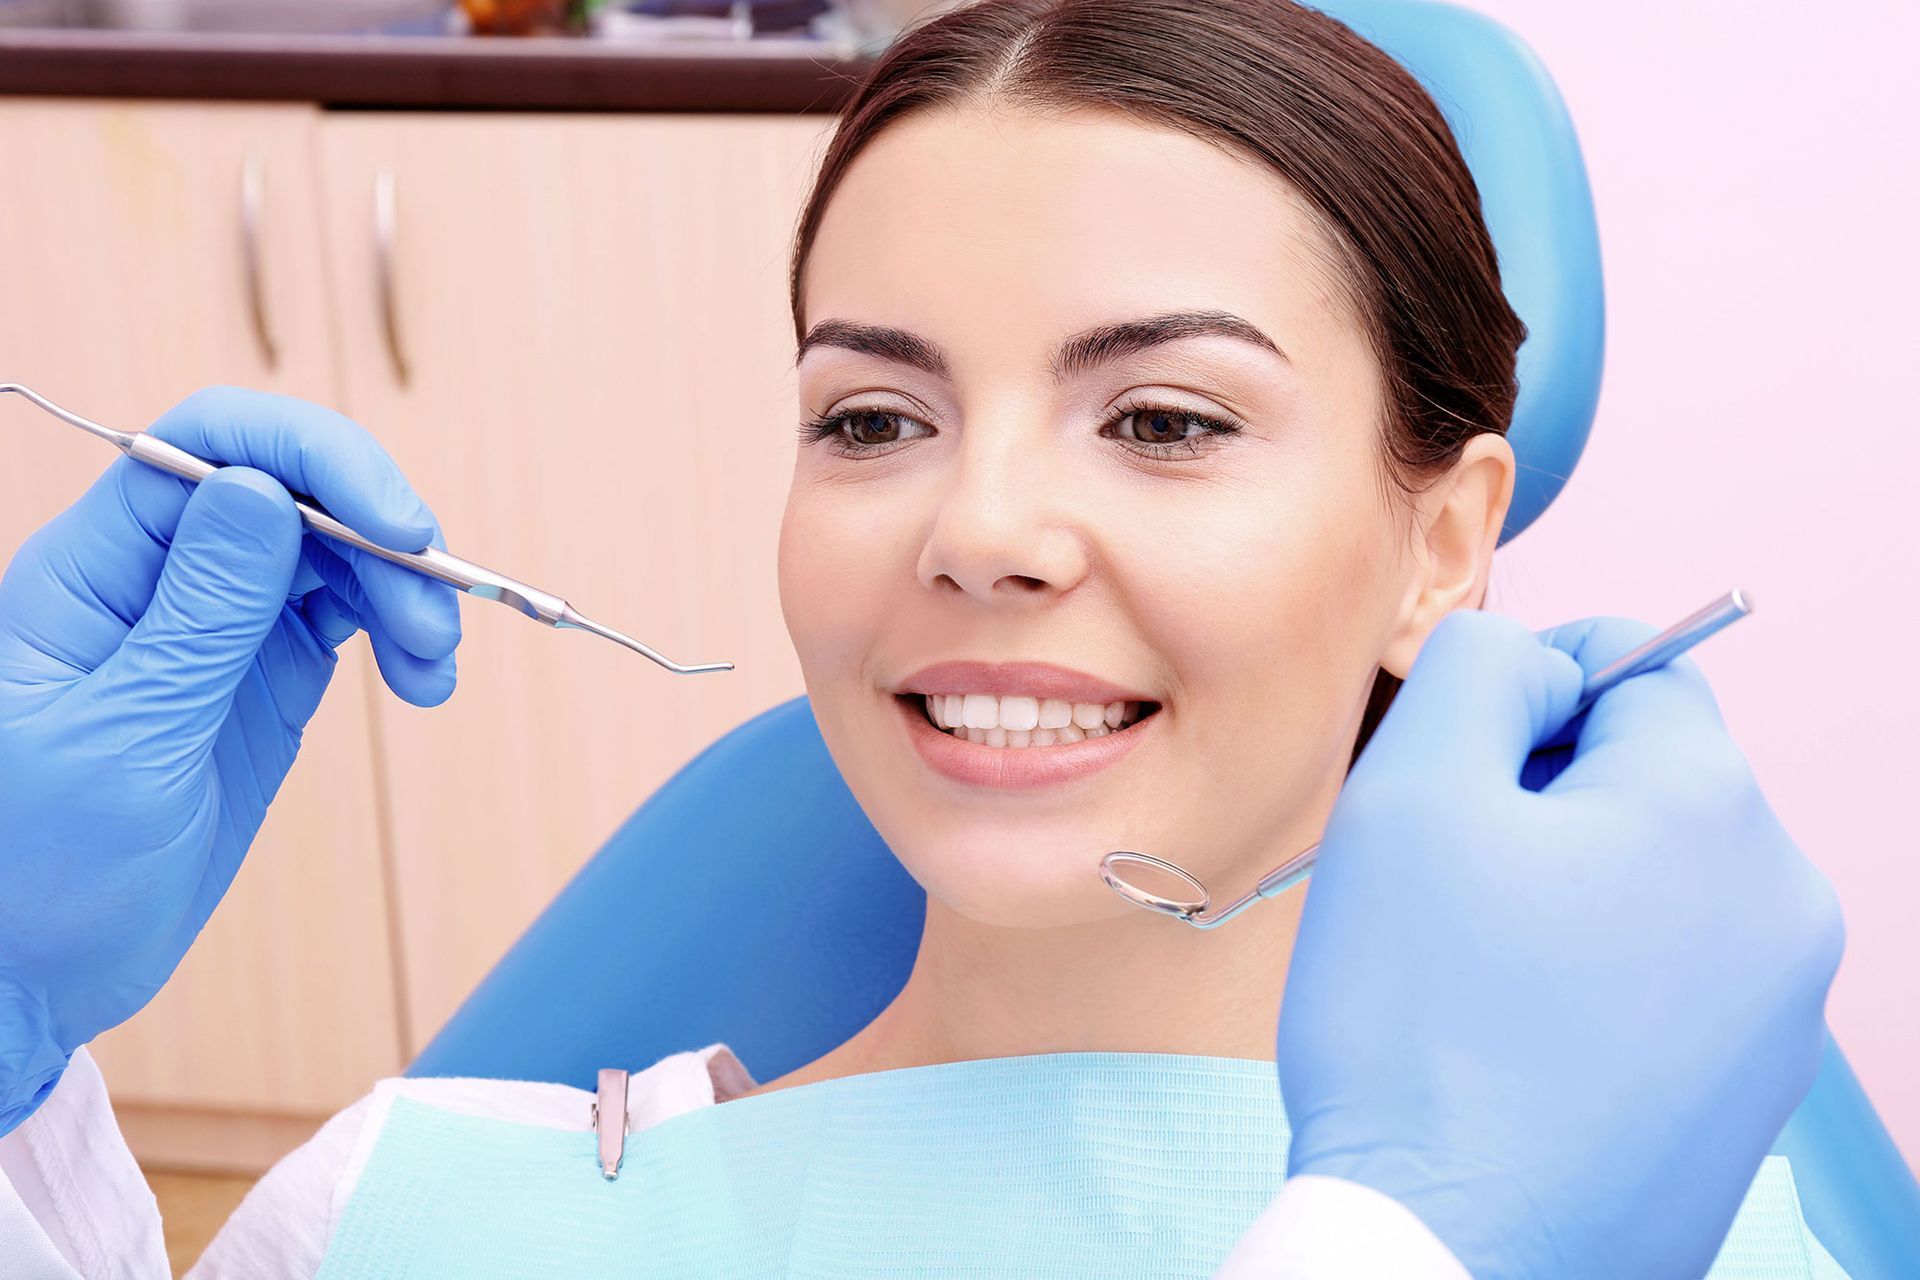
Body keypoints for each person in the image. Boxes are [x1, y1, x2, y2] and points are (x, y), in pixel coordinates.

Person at [0, 1, 1844, 1276]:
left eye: (1167, 421)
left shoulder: (1651, 1230)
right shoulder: (410, 1212)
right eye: (873, 422)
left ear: (1444, 540)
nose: (975, 534)